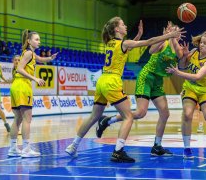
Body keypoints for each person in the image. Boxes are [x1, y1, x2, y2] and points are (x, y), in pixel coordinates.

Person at [65, 17, 185, 163]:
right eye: (122, 24)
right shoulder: (124, 43)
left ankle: (73, 145)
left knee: (93, 117)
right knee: (128, 117)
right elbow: (148, 43)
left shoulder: (110, 42)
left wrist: (138, 35)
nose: (125, 25)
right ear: (117, 29)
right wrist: (168, 35)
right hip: (112, 82)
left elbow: (127, 47)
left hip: (102, 80)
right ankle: (118, 151)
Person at [95, 22, 183, 157]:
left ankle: (157, 146)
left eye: (177, 32)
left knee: (165, 114)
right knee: (141, 112)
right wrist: (166, 36)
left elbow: (181, 59)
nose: (175, 33)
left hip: (158, 81)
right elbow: (151, 50)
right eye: (173, 31)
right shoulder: (163, 43)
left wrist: (174, 40)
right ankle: (107, 120)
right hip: (146, 77)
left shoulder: (178, 48)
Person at [166, 30, 206, 159]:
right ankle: (187, 148)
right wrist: (184, 57)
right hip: (190, 87)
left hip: (205, 91)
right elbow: (182, 67)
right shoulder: (193, 52)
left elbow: (198, 76)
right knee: (187, 114)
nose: (202, 45)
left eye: (205, 43)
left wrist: (178, 73)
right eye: (201, 42)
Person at [7, 30, 58, 158]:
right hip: (23, 86)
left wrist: (50, 58)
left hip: (16, 86)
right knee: (27, 119)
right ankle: (26, 149)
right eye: (36, 39)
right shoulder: (29, 53)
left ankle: (13, 148)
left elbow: (40, 59)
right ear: (29, 41)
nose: (39, 41)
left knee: (18, 119)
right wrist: (35, 79)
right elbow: (19, 69)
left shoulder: (31, 53)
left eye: (39, 39)